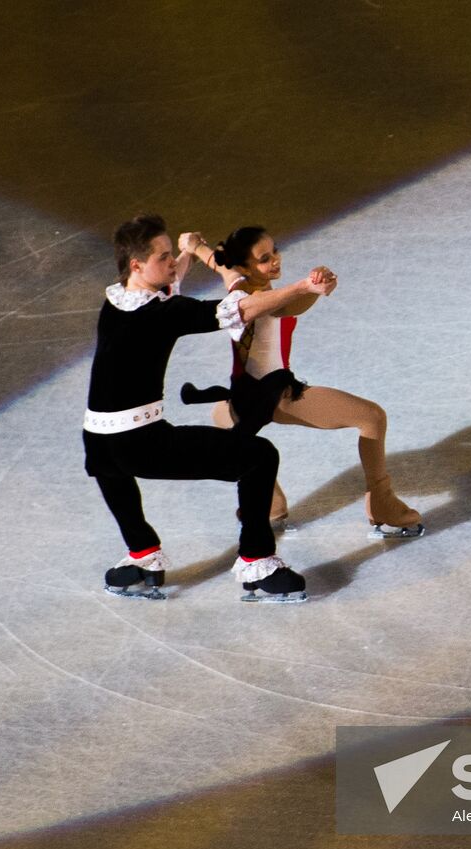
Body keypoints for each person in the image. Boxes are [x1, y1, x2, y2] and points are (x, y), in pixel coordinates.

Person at [83, 214, 336, 602]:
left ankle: (142, 555)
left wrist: (186, 253)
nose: (171, 263)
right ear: (138, 264)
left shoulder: (117, 298)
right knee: (258, 456)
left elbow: (165, 283)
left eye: (171, 255)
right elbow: (242, 309)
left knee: (119, 487)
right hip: (140, 442)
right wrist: (302, 286)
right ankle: (257, 561)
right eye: (163, 256)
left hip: (99, 442)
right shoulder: (162, 315)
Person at [178, 226, 423, 538]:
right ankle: (383, 506)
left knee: (220, 414)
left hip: (241, 398)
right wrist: (311, 288)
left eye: (274, 250)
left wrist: (195, 245)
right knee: (372, 417)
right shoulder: (259, 298)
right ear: (246, 266)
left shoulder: (235, 280)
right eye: (265, 258)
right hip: (274, 397)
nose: (276, 260)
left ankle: (270, 506)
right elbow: (287, 305)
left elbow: (219, 262)